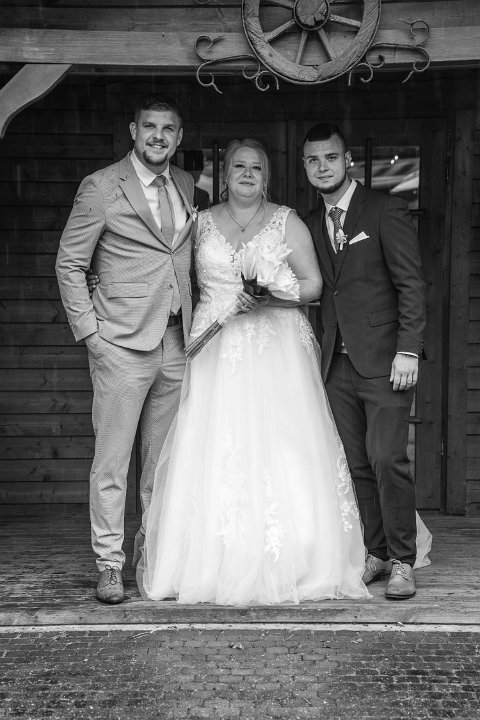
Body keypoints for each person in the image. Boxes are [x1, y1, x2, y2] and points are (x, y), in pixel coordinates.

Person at [136, 138, 371, 605]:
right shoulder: (201, 222)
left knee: (282, 443)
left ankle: (298, 554)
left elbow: (312, 285)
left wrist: (271, 297)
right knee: (216, 443)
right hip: (216, 348)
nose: (247, 174)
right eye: (239, 166)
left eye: (256, 168)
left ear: (267, 177)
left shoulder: (287, 221)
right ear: (225, 175)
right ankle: (210, 559)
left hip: (275, 346)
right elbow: (172, 273)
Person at [55, 96, 196, 605]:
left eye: (168, 129)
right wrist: (90, 334)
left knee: (162, 465)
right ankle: (109, 565)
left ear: (179, 137)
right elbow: (70, 263)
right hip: (119, 343)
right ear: (134, 131)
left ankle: (149, 559)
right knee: (112, 464)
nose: (158, 136)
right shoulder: (100, 187)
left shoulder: (185, 184)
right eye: (149, 127)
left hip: (176, 343)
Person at [303, 123, 428, 600]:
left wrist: (408, 349)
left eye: (330, 157)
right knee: (356, 463)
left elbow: (411, 284)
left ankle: (403, 559)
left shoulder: (383, 210)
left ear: (348, 160)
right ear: (306, 167)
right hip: (335, 364)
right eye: (313, 160)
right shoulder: (311, 223)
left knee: (387, 458)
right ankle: (376, 551)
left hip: (385, 359)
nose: (322, 167)